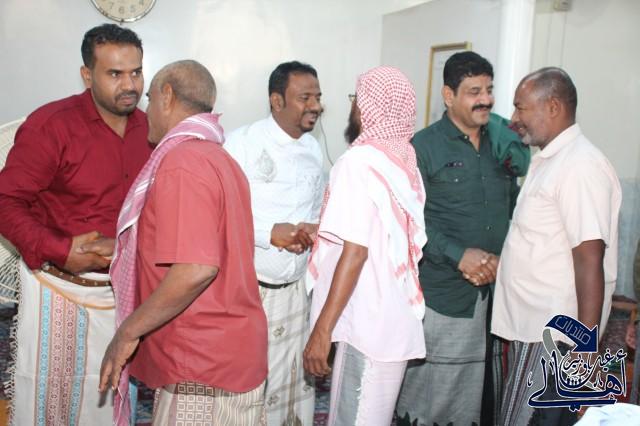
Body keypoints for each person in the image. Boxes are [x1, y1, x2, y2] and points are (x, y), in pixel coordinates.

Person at [97, 60, 268, 425]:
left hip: (200, 360)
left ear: (167, 96)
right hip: (225, 351)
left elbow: (196, 269)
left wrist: (128, 332)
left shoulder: (183, 161)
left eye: (148, 98)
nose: (145, 111)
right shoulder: (219, 157)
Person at [0, 24, 151, 425]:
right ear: (87, 75)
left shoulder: (151, 130)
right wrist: (62, 250)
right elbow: (6, 201)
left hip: (125, 295)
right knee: (53, 404)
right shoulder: (52, 125)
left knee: (114, 402)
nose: (129, 85)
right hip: (60, 291)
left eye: (136, 72)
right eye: (115, 73)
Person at [396, 51, 529, 426]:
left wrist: (501, 259)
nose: (485, 99)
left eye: (489, 89)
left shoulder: (502, 144)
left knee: (476, 399)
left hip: (493, 295)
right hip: (442, 293)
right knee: (428, 399)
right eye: (474, 91)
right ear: (448, 95)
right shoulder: (422, 147)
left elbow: (514, 207)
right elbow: (409, 219)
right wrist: (458, 255)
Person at [492, 67, 622, 425]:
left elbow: (589, 259)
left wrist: (586, 351)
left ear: (552, 107)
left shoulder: (580, 165)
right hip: (532, 330)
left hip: (557, 338)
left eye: (521, 107)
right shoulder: (552, 159)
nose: (514, 118)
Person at [303, 66, 427, 426]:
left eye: (357, 98)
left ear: (370, 106)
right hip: (392, 317)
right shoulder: (404, 162)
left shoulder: (358, 163)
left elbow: (356, 251)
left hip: (367, 324)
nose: (354, 106)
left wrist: (321, 331)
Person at [224, 60, 324, 425]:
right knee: (246, 386)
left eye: (317, 97)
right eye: (304, 97)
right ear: (276, 100)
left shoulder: (313, 149)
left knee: (290, 386)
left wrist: (311, 230)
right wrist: (269, 233)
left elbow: (316, 207)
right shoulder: (240, 143)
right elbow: (219, 212)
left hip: (296, 291)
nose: (315, 106)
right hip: (250, 291)